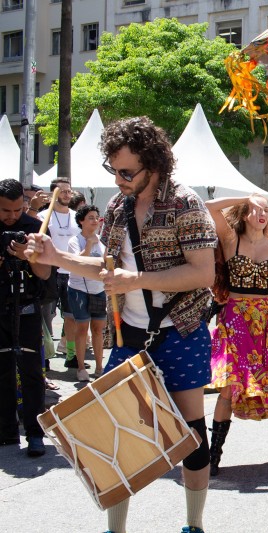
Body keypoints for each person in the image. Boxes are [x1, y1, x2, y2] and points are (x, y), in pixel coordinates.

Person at [26, 116, 217, 533]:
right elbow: (108, 268)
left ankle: (194, 525)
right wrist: (55, 257)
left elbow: (203, 273)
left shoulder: (185, 203)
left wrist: (139, 279)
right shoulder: (117, 206)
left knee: (191, 435)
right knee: (117, 439)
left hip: (179, 331)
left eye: (126, 171)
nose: (119, 178)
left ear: (154, 163)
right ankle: (116, 530)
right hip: (129, 336)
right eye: (113, 170)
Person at [205, 194, 268, 475]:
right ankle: (214, 454)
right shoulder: (230, 239)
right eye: (256, 209)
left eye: (266, 210)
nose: (262, 214)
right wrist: (245, 197)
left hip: (266, 320)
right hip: (235, 320)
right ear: (244, 212)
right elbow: (209, 207)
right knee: (229, 385)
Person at [0, 179, 51, 457]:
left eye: (17, 209)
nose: (11, 216)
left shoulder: (35, 229)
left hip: (28, 306)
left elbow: (44, 274)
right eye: (5, 211)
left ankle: (34, 432)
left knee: (32, 372)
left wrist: (29, 256)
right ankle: (6, 430)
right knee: (3, 369)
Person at [66, 205, 107, 381]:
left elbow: (108, 262)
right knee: (82, 328)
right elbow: (77, 263)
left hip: (98, 290)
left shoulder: (102, 240)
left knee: (98, 329)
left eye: (97, 217)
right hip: (79, 290)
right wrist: (89, 244)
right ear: (81, 221)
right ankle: (81, 367)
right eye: (90, 217)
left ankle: (99, 367)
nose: (95, 220)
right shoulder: (74, 241)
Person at [45, 178, 81, 368]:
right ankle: (46, 355)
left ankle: (70, 354)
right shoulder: (45, 216)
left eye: (69, 191)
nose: (67, 194)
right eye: (62, 191)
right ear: (53, 194)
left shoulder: (76, 216)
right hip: (50, 271)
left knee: (70, 315)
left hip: (71, 272)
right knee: (47, 315)